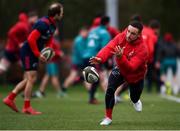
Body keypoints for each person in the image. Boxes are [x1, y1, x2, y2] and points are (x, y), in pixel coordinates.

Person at [3, 2, 63, 115]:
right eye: (61, 12)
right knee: (31, 78)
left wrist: (48, 52)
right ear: (56, 14)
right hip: (27, 51)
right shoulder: (42, 23)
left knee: (29, 79)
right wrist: (38, 54)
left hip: (33, 52)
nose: (62, 14)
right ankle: (26, 107)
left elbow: (49, 40)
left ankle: (10, 98)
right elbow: (31, 39)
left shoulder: (53, 25)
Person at [90, 21, 148, 125]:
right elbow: (109, 47)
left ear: (139, 35)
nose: (128, 35)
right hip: (120, 69)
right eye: (128, 31)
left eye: (133, 33)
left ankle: (135, 100)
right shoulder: (122, 36)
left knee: (134, 97)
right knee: (110, 89)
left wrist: (121, 57)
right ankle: (108, 117)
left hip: (135, 75)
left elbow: (131, 68)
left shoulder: (142, 49)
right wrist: (100, 58)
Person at [83, 16, 111, 104]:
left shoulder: (92, 30)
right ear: (107, 23)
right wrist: (107, 60)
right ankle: (109, 98)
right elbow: (105, 48)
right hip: (96, 57)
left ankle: (92, 98)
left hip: (87, 55)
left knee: (96, 78)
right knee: (101, 77)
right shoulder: (105, 33)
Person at [35, 29, 64, 98]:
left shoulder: (55, 39)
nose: (57, 31)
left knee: (47, 76)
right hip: (52, 62)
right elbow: (50, 50)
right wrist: (59, 53)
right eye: (56, 30)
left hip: (53, 61)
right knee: (54, 77)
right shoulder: (52, 40)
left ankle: (40, 91)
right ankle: (59, 92)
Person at [61, 27, 89, 93]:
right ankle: (63, 89)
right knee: (73, 76)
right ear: (81, 32)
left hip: (81, 61)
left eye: (87, 32)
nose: (86, 34)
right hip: (78, 62)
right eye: (85, 32)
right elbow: (81, 52)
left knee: (85, 76)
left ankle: (91, 92)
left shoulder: (85, 39)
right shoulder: (78, 40)